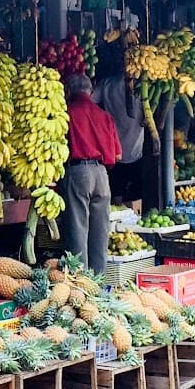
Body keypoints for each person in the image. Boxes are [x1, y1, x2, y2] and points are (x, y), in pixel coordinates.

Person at [62, 73, 121, 273]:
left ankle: (81, 283)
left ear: (68, 91)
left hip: (79, 172)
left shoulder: (67, 112)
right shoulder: (104, 116)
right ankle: (98, 282)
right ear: (91, 91)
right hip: (102, 175)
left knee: (78, 228)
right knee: (100, 232)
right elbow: (118, 155)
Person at [93, 72, 145, 205]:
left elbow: (91, 100)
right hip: (134, 149)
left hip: (115, 150)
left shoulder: (107, 84)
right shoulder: (143, 85)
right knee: (137, 195)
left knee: (116, 193)